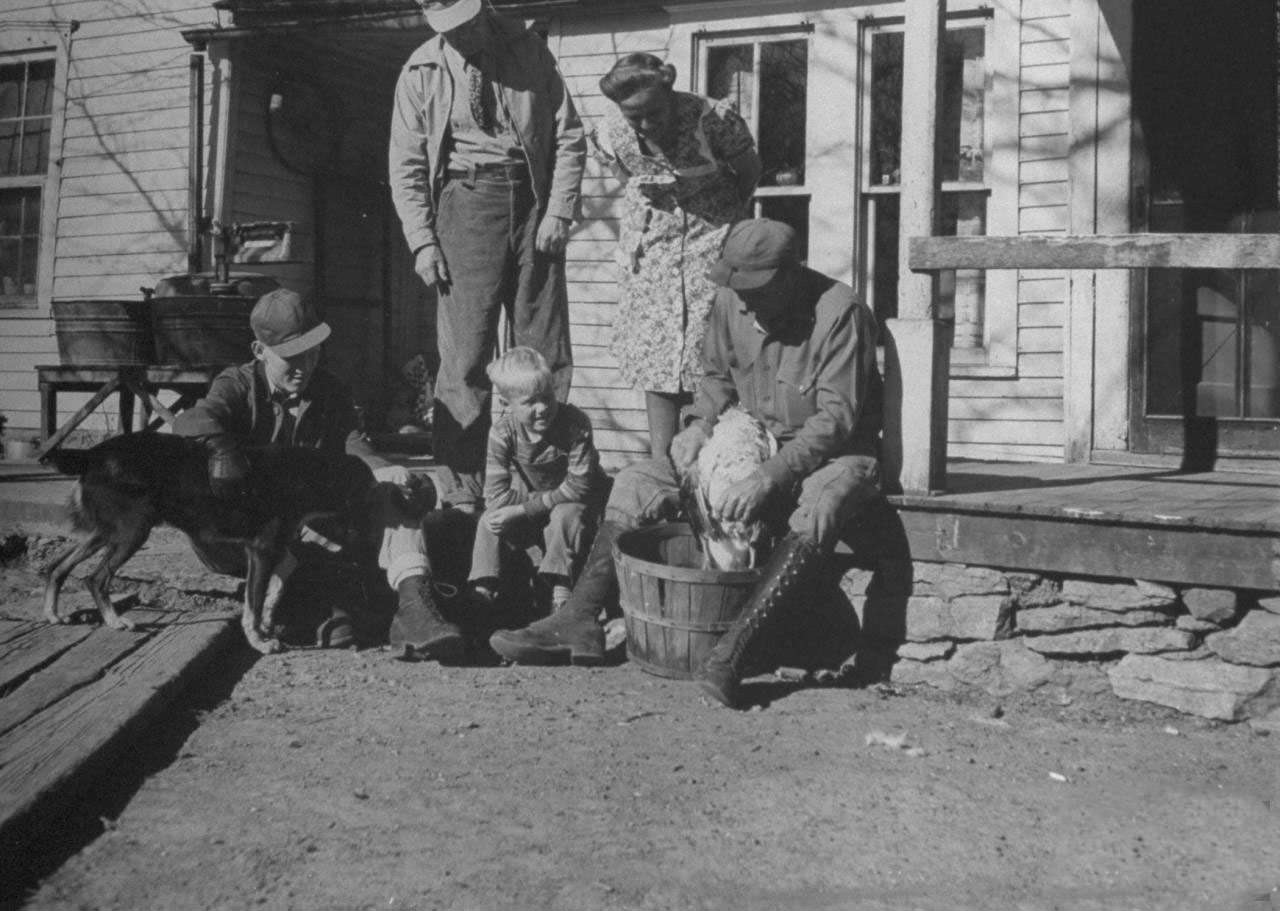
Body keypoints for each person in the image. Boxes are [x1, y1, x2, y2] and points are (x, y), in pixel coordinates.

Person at [489, 219, 884, 709]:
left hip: (831, 454)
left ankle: (734, 652)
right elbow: (717, 378)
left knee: (821, 505)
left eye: (755, 290)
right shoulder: (729, 303)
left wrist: (770, 476)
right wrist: (697, 425)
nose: (742, 302)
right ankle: (578, 619)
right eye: (735, 288)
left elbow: (835, 421)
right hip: (746, 440)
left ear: (789, 276)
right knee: (635, 482)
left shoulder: (840, 314)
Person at [389, 0, 586, 510]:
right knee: (465, 358)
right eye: (450, 26)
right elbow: (404, 164)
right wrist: (423, 241)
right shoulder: (420, 71)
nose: (465, 34)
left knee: (542, 353)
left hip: (533, 204)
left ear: (480, 0)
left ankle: (544, 487)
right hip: (465, 205)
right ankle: (463, 493)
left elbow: (569, 135)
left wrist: (559, 212)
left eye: (470, 19)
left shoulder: (529, 50)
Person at [172, 287, 465, 662]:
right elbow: (192, 422)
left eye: (312, 352)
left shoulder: (328, 389)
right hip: (238, 533)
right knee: (328, 595)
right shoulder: (237, 385)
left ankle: (417, 609)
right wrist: (225, 451)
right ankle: (322, 605)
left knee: (389, 496)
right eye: (290, 357)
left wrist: (384, 470)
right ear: (260, 352)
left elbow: (353, 445)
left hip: (305, 523)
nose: (304, 366)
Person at [593, 53, 760, 460]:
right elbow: (625, 175)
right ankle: (663, 468)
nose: (647, 125)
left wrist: (721, 218)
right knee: (659, 359)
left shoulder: (713, 120)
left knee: (710, 352)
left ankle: (712, 462)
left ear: (670, 90)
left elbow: (750, 172)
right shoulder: (610, 132)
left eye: (655, 112)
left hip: (712, 236)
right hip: (654, 249)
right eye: (636, 117)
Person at [467, 347, 607, 615]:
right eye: (530, 402)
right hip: (545, 501)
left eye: (547, 397)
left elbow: (579, 487)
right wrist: (524, 508)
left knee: (565, 514)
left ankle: (560, 593)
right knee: (490, 519)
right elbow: (495, 496)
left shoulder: (574, 424)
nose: (542, 409)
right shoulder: (502, 433)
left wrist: (522, 510)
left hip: (581, 505)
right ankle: (484, 591)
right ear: (507, 404)